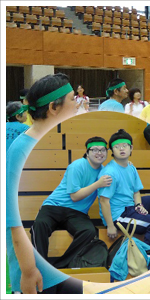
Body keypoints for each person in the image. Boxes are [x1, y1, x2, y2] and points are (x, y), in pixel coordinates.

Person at [7, 73, 83, 294]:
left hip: (65, 262)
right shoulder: (21, 150)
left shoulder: (60, 140)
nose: (78, 104)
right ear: (53, 107)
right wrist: (29, 272)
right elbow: (15, 221)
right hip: (37, 270)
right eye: (72, 99)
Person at [31, 137, 112, 268]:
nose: (99, 153)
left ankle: (59, 266)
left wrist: (127, 164)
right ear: (87, 152)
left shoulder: (104, 171)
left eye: (103, 150)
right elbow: (74, 196)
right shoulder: (77, 165)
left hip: (77, 213)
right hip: (54, 206)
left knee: (88, 231)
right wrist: (98, 184)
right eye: (95, 150)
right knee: (40, 225)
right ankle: (39, 266)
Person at [98, 129, 150, 251]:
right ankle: (149, 257)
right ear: (112, 151)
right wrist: (110, 225)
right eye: (117, 147)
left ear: (131, 148)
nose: (121, 149)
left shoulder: (130, 167)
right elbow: (103, 201)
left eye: (124, 146)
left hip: (129, 207)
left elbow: (136, 191)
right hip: (118, 215)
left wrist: (138, 205)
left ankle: (142, 227)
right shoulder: (110, 172)